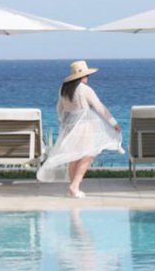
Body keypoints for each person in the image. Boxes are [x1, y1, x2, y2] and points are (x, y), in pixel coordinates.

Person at [37, 60, 122, 197]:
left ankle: (73, 189)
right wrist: (113, 123)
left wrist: (64, 123)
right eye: (86, 75)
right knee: (88, 155)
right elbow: (100, 107)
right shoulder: (85, 90)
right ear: (82, 76)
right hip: (85, 126)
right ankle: (74, 186)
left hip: (70, 127)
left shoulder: (64, 89)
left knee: (74, 156)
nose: (87, 77)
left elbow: (59, 108)